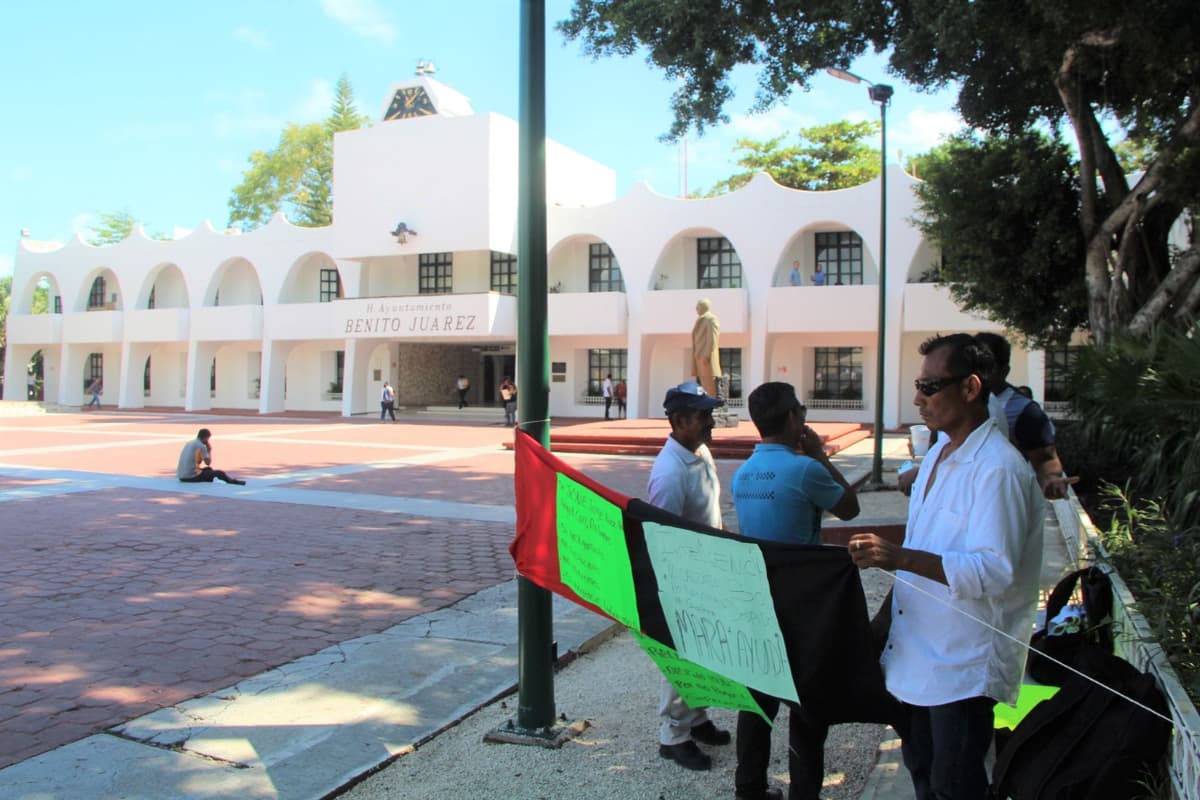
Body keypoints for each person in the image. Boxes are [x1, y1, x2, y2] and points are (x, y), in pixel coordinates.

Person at [849, 333, 1044, 800]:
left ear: (971, 388)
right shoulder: (938, 452)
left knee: (955, 785)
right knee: (922, 773)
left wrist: (897, 557)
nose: (918, 398)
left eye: (930, 386)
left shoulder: (998, 468)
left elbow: (992, 572)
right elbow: (921, 545)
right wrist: (882, 621)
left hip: (961, 668)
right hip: (914, 655)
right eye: (919, 384)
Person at [731, 381, 861, 800]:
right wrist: (820, 454)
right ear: (793, 419)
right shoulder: (804, 469)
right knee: (807, 704)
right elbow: (849, 507)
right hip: (803, 599)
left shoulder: (743, 473)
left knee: (756, 700)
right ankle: (804, 792)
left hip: (757, 594)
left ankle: (748, 787)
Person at [648, 380, 733, 771]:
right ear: (680, 420)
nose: (710, 422)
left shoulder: (699, 452)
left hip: (709, 572)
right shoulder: (669, 474)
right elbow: (663, 539)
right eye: (703, 416)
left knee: (705, 655)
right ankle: (673, 737)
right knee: (683, 659)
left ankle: (696, 719)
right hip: (686, 581)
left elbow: (710, 512)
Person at [974, 332, 1078, 500]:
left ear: (1004, 371)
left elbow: (1045, 459)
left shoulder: (1025, 411)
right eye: (974, 366)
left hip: (1002, 501)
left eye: (987, 367)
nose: (978, 373)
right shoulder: (955, 401)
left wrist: (1051, 480)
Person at [177, 428, 246, 485]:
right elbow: (208, 462)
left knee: (208, 469)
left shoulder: (189, 443)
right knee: (219, 473)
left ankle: (210, 479)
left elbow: (197, 461)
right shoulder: (201, 446)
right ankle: (233, 482)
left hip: (181, 475)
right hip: (191, 477)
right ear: (206, 438)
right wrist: (209, 450)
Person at [691, 298, 722, 398]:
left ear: (703, 307)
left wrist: (707, 354)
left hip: (705, 357)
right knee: (704, 383)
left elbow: (713, 338)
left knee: (710, 384)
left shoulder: (711, 319)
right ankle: (707, 405)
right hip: (699, 356)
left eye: (698, 306)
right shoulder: (700, 319)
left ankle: (712, 404)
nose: (696, 308)